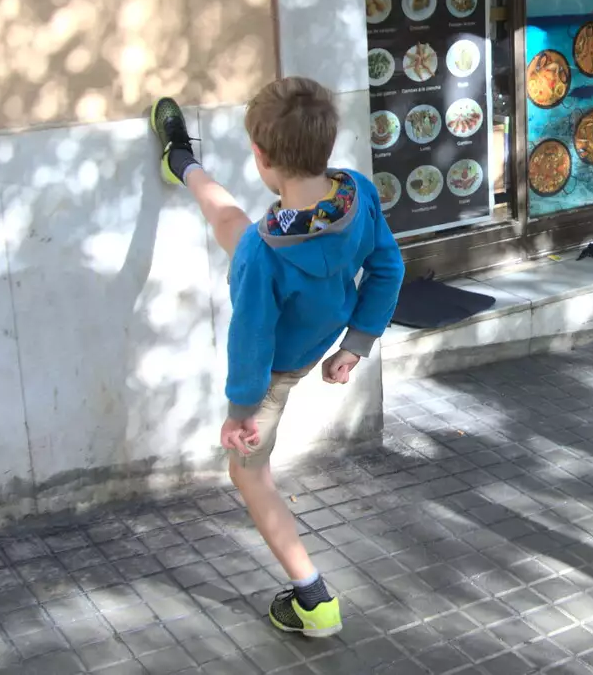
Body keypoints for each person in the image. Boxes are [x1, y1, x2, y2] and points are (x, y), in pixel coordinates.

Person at [149, 77, 404, 638]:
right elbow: (389, 268)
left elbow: (252, 339)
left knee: (249, 473)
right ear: (326, 146)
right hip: (321, 330)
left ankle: (313, 600)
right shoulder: (357, 194)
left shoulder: (264, 256)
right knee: (232, 224)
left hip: (275, 372)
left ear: (260, 157)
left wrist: (241, 410)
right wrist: (356, 345)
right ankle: (184, 161)